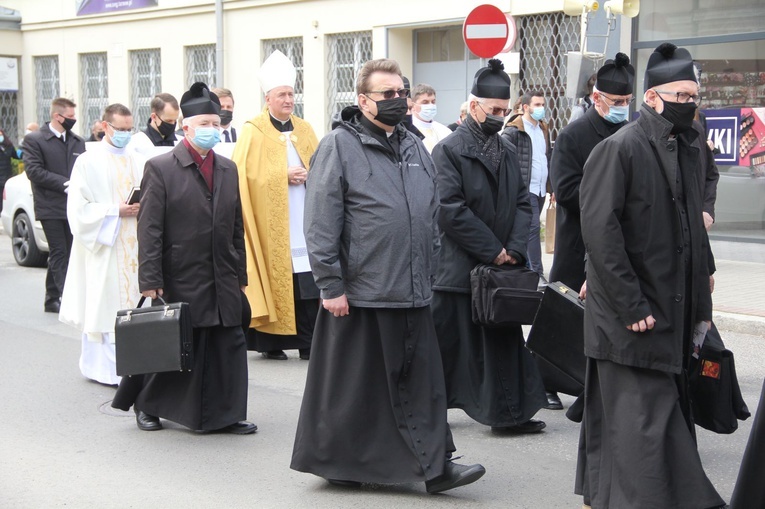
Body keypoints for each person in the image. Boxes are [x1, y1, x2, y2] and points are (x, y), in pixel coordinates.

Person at [291, 58, 486, 493]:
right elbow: (321, 222)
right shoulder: (338, 146)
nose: (398, 100)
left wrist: (430, 269)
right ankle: (343, 463)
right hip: (362, 292)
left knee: (422, 385)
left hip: (414, 289)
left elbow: (431, 214)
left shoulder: (415, 146)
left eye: (402, 92)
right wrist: (330, 284)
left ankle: (436, 466)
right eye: (388, 94)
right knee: (356, 391)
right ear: (363, 101)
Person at [575, 43, 725, 509]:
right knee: (646, 417)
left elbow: (690, 225)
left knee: (636, 414)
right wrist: (631, 304)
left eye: (694, 95)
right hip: (629, 311)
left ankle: (606, 494)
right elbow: (600, 233)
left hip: (669, 305)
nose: (690, 103)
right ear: (653, 98)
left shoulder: (688, 147)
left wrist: (704, 279)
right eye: (680, 95)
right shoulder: (617, 149)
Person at [111, 82, 256, 435]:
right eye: (204, 123)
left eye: (216, 123)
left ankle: (225, 413)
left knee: (225, 346)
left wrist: (240, 273)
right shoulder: (161, 168)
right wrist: (151, 279)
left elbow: (235, 224)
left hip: (222, 273)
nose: (212, 129)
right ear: (186, 127)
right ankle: (146, 404)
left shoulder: (227, 168)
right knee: (172, 345)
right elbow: (150, 230)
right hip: (181, 273)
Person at [431, 59, 547, 435]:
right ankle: (427, 411)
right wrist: (492, 249)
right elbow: (450, 209)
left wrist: (512, 249)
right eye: (493, 110)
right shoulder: (448, 150)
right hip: (458, 269)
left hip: (500, 269)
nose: (499, 116)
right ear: (474, 105)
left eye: (504, 110)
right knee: (447, 347)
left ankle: (510, 413)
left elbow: (522, 202)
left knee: (502, 340)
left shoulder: (506, 149)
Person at [545, 53, 635, 410]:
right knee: (562, 314)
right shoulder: (573, 135)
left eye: (628, 102)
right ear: (596, 98)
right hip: (577, 239)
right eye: (617, 103)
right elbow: (564, 190)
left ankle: (593, 382)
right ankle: (546, 380)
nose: (623, 109)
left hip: (620, 238)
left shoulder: (632, 131)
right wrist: (609, 193)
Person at [232, 50, 319, 361]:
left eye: (291, 94)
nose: (288, 99)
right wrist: (280, 176)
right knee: (278, 277)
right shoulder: (252, 130)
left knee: (308, 279)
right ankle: (272, 343)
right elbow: (241, 176)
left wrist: (311, 173)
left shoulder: (305, 129)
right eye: (282, 94)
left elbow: (322, 163)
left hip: (304, 215)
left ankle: (310, 341)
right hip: (271, 222)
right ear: (267, 98)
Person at [59, 103, 144, 386]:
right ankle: (105, 370)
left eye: (130, 129)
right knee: (105, 304)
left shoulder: (137, 158)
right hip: (105, 243)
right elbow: (78, 209)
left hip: (136, 241)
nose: (125, 135)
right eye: (120, 129)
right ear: (105, 127)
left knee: (137, 304)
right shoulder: (87, 161)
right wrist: (114, 211)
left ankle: (141, 365)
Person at [23, 97, 86, 313]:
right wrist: (64, 184)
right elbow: (33, 171)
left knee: (67, 251)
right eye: (69, 117)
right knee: (60, 251)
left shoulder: (77, 141)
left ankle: (51, 298)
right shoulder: (35, 140)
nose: (73, 120)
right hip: (50, 205)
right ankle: (66, 298)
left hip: (74, 205)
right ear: (56, 116)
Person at [501, 90, 552, 283]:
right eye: (537, 105)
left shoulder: (543, 129)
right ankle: (537, 273)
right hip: (525, 188)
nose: (541, 108)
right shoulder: (514, 130)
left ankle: (528, 268)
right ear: (525, 107)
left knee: (529, 229)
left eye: (542, 104)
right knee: (532, 229)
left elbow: (546, 158)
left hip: (540, 189)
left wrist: (550, 187)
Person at [410, 83, 453, 152]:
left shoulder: (444, 131)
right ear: (413, 105)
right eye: (425, 102)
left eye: (433, 102)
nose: (430, 105)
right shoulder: (408, 131)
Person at [0, 128, 20, 214]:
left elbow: (16, 156)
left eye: (0, 135)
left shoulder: (8, 146)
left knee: (4, 198)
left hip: (6, 177)